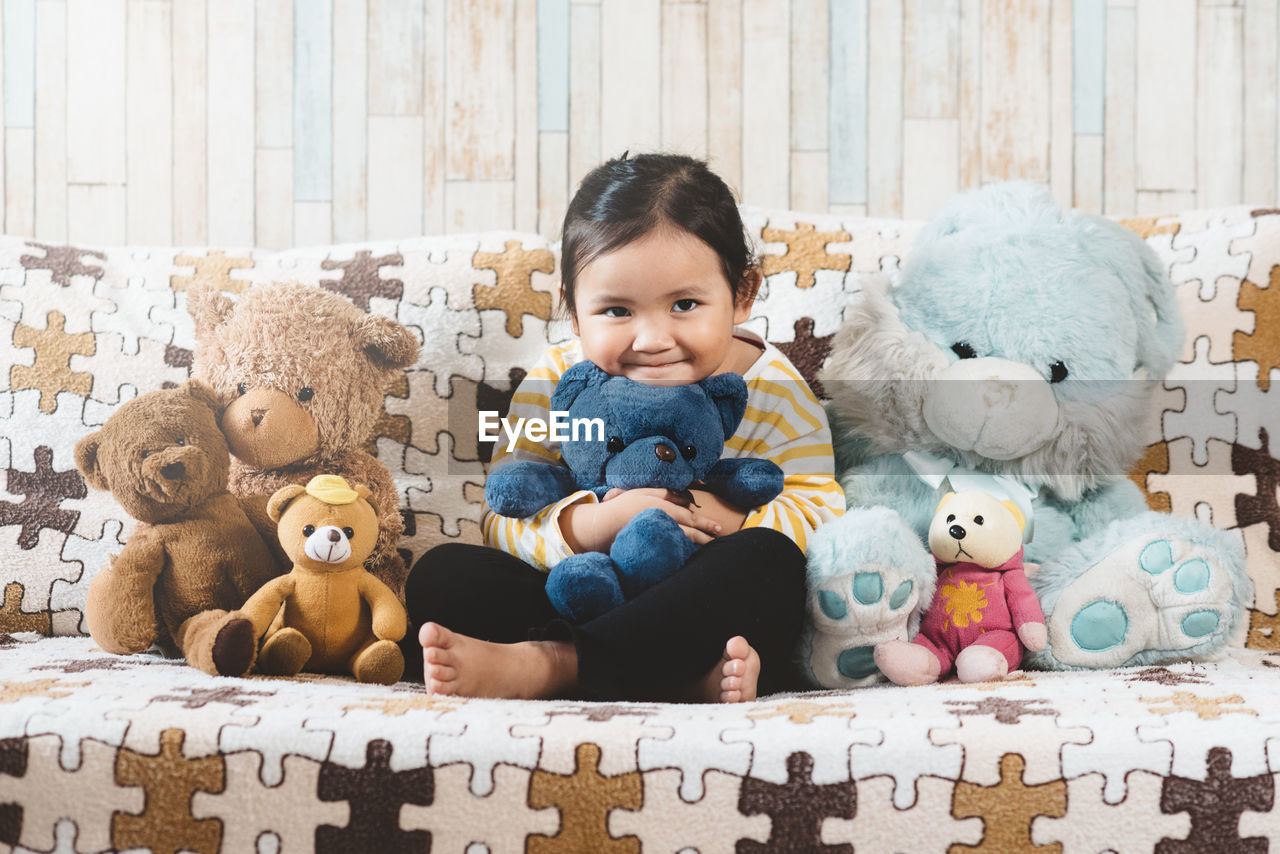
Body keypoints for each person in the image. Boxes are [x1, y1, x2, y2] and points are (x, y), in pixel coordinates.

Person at [405, 152, 844, 702]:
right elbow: (504, 514)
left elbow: (820, 510)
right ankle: (674, 678)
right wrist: (594, 524)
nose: (652, 338)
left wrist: (713, 518)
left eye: (685, 304)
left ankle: (555, 666)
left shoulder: (775, 388)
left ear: (742, 295)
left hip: (698, 603)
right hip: (584, 586)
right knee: (445, 575)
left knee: (771, 564)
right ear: (572, 310)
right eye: (616, 310)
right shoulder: (556, 379)